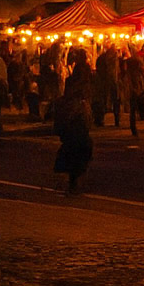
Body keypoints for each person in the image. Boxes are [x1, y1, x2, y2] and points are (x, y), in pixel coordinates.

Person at [54, 48, 93, 195]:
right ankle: (73, 181)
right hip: (77, 119)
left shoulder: (80, 78)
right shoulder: (81, 80)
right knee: (77, 148)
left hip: (77, 118)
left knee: (76, 148)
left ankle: (73, 180)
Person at [125, 45, 144, 136]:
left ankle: (133, 125)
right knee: (140, 101)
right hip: (138, 85)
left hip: (131, 86)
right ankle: (141, 118)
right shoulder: (138, 61)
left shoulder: (127, 62)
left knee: (132, 107)